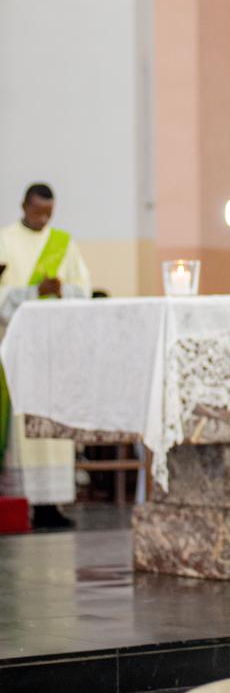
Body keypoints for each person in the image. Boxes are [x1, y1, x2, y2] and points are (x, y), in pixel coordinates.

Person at [0, 183, 91, 529]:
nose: (43, 219)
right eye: (38, 212)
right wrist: (33, 291)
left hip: (54, 349)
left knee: (54, 423)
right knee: (22, 429)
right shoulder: (5, 240)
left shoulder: (63, 243)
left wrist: (61, 290)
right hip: (19, 349)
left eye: (48, 214)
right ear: (24, 206)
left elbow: (84, 290)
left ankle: (51, 504)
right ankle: (23, 501)